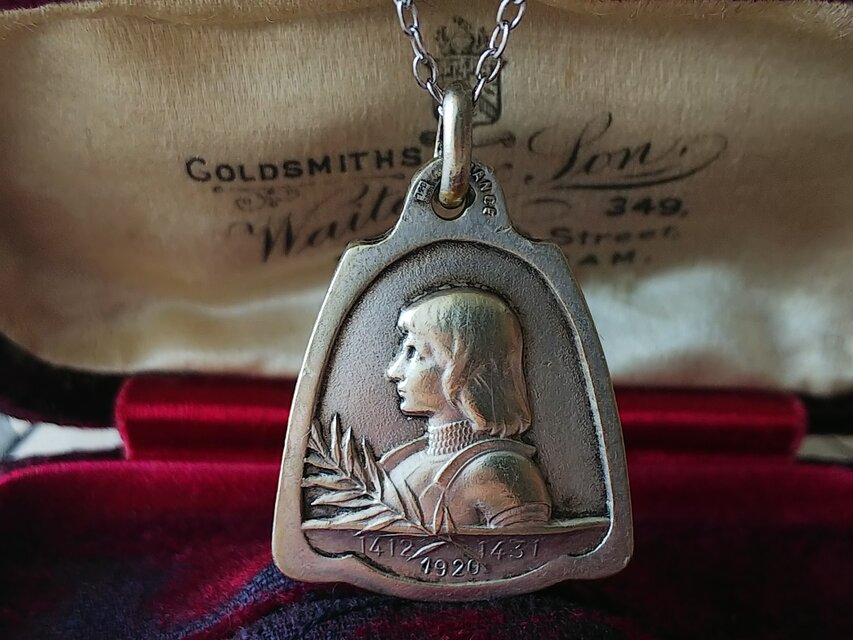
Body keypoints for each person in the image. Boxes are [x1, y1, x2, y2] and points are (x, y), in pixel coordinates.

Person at [381, 287, 552, 530]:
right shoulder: (401, 464)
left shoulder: (502, 473)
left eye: (414, 353)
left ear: (463, 370)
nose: (394, 372)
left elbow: (527, 552)